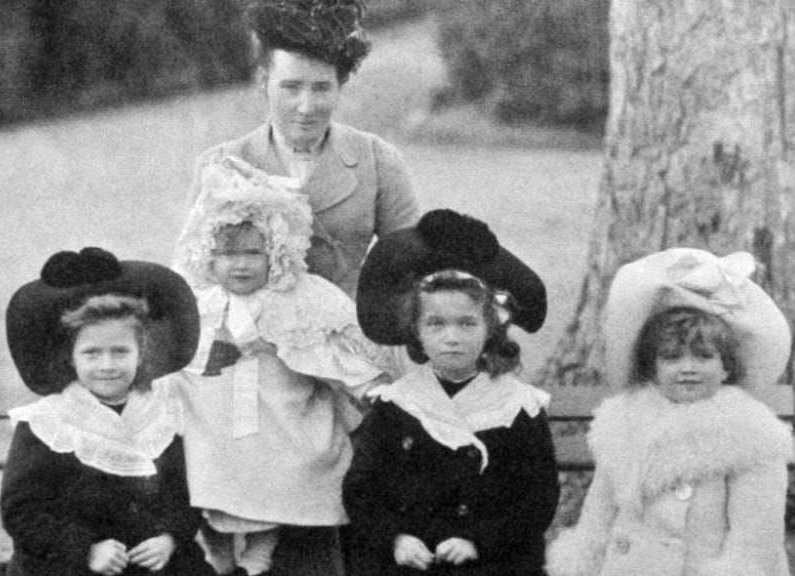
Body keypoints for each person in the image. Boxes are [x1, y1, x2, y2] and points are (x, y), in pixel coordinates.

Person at [160, 159, 388, 576]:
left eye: (253, 253)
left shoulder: (298, 297)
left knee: (285, 465)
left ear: (275, 253)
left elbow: (329, 350)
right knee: (203, 468)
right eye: (228, 254)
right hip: (213, 415)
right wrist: (205, 358)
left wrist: (367, 386)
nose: (241, 265)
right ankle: (219, 549)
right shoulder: (198, 300)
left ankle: (262, 549)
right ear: (208, 258)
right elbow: (169, 357)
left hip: (280, 409)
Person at [546, 248, 794, 576]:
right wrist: (584, 561)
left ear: (726, 368)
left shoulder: (750, 434)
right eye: (672, 358)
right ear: (652, 367)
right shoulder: (624, 421)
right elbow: (600, 511)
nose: (688, 368)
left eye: (704, 357)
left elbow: (756, 535)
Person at [344, 209, 559, 576]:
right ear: (417, 333)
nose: (452, 337)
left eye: (467, 323)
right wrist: (395, 538)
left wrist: (478, 540)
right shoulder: (399, 406)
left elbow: (537, 498)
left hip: (492, 562)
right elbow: (362, 490)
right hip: (410, 561)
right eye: (436, 324)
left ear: (491, 328)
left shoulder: (516, 407)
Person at [186, 0, 419, 299]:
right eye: (291, 88)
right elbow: (193, 278)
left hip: (346, 332)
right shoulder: (221, 164)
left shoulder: (377, 160)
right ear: (263, 83)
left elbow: (411, 271)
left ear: (341, 85)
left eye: (321, 88)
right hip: (250, 338)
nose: (306, 107)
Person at [0, 247, 207, 576]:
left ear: (141, 353)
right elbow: (21, 511)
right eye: (92, 353)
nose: (107, 365)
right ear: (72, 357)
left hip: (149, 558)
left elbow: (183, 490)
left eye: (120, 351)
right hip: (75, 562)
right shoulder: (50, 422)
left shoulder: (161, 413)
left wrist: (170, 536)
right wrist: (84, 550)